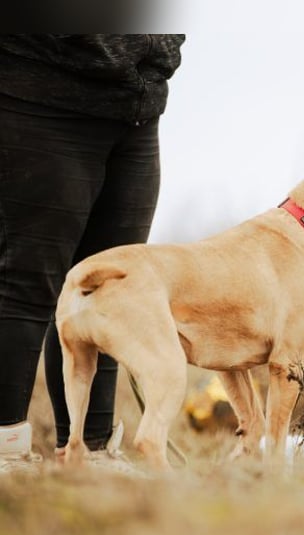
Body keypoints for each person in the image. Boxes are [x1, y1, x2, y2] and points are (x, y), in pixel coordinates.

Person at [0, 34, 185, 473]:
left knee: (108, 290)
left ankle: (90, 450)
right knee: (26, 282)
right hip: (39, 95)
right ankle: (6, 451)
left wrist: (160, 48)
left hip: (137, 109)